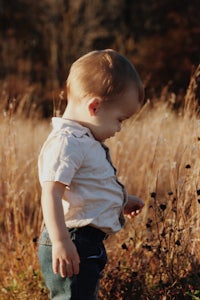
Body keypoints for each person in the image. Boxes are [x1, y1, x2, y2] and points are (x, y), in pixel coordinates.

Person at [38, 49, 145, 300]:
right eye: (120, 119)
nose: (119, 128)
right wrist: (61, 241)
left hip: (86, 243)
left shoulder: (84, 140)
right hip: (72, 239)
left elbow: (88, 188)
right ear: (94, 106)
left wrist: (122, 201)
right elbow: (50, 194)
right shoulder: (67, 143)